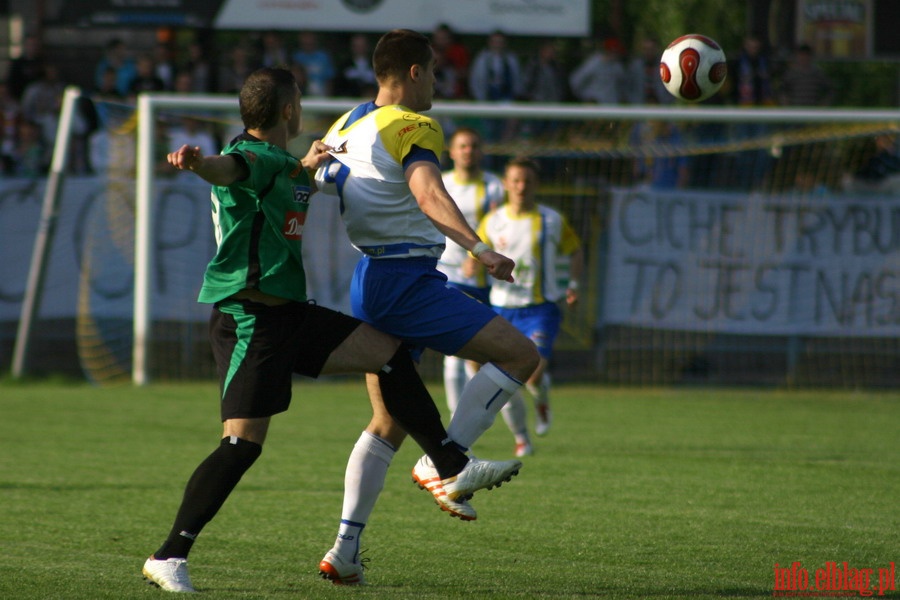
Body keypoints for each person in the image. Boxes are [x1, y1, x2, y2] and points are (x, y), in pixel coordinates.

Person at [141, 66, 522, 593]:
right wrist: (197, 162)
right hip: (251, 320)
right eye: (297, 100)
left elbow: (278, 175)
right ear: (289, 111)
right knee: (240, 447)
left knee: (386, 354)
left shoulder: (281, 162)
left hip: (289, 314)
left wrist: (310, 163)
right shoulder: (251, 156)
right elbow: (230, 168)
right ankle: (169, 554)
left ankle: (449, 463)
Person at [314, 29, 539, 584]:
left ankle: (344, 551)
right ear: (414, 72)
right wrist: (480, 248)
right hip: (404, 280)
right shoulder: (411, 125)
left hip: (369, 276)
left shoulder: (346, 124)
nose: (438, 80)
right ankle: (448, 460)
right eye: (435, 70)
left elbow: (317, 179)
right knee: (519, 354)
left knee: (387, 420)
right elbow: (430, 195)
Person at [476, 157, 583, 456]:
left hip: (540, 309)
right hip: (501, 309)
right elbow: (477, 256)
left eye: (528, 181)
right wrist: (474, 268)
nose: (522, 187)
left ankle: (541, 396)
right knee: (505, 378)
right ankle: (522, 438)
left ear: (536, 184)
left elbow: (575, 251)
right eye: (516, 181)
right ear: (507, 184)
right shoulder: (493, 221)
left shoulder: (550, 220)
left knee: (532, 374)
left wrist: (573, 285)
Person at [437, 127, 505, 415]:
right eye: (462, 146)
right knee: (454, 348)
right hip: (448, 275)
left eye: (474, 145)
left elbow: (505, 227)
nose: (468, 151)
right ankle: (457, 417)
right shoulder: (439, 183)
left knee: (488, 353)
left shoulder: (495, 187)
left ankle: (489, 413)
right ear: (451, 152)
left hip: (488, 279)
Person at [569, 37, 627, 104]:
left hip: (611, 107)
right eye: (615, 52)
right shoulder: (593, 63)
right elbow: (575, 80)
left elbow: (622, 84)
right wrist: (586, 97)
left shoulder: (617, 66)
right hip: (595, 107)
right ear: (609, 51)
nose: (618, 55)